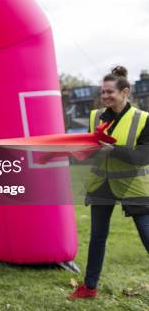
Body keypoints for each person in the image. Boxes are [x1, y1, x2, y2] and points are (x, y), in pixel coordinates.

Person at [69, 66, 149, 299]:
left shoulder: (143, 119)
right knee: (97, 237)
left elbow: (143, 157)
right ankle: (89, 287)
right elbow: (89, 150)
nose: (104, 97)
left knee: (147, 236)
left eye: (109, 92)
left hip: (133, 185)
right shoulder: (95, 117)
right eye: (102, 92)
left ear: (125, 92)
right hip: (101, 185)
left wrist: (112, 150)